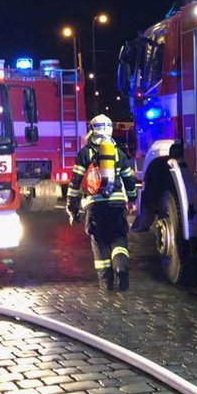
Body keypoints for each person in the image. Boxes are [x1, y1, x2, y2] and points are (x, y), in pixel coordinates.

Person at [66, 114, 137, 291]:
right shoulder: (118, 153)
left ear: (92, 130)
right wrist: (132, 199)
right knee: (119, 238)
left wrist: (72, 207)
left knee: (99, 241)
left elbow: (75, 182)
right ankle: (121, 268)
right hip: (116, 205)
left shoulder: (85, 154)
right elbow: (129, 180)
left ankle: (106, 283)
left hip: (95, 206)